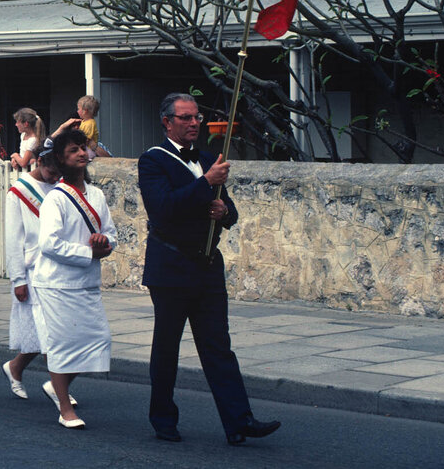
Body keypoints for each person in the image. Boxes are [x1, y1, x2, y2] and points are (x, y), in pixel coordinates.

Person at [139, 92, 280, 445]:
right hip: (171, 265)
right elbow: (162, 208)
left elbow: (228, 211)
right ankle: (163, 419)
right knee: (167, 347)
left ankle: (239, 421)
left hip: (206, 266)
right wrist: (205, 184)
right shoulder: (153, 161)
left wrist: (223, 213)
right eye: (185, 118)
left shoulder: (207, 159)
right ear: (167, 122)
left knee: (218, 346)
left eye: (197, 118)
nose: (193, 124)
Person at [32, 129, 116, 429]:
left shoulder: (97, 195)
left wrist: (104, 245)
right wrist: (87, 252)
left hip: (86, 282)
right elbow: (49, 244)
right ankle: (65, 408)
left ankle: (56, 385)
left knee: (97, 340)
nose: (81, 153)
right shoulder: (56, 198)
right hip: (56, 283)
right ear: (61, 159)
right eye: (73, 151)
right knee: (62, 345)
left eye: (83, 148)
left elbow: (112, 234)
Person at [0, 143, 65, 400]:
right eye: (51, 170)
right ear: (38, 162)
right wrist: (17, 278)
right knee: (49, 331)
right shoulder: (19, 191)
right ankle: (60, 388)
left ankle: (14, 367)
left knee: (48, 332)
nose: (55, 176)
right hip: (33, 271)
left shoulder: (61, 187)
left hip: (59, 268)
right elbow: (14, 238)